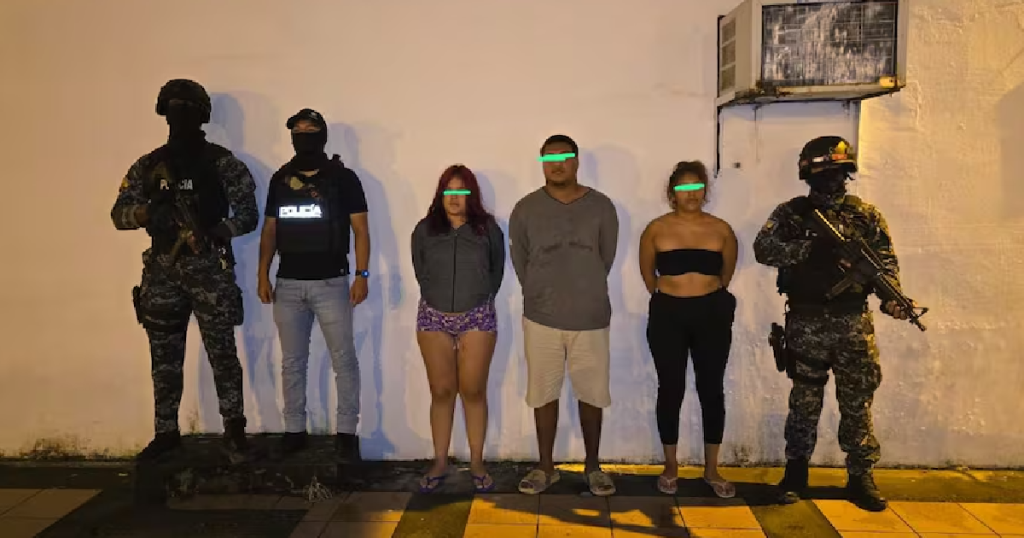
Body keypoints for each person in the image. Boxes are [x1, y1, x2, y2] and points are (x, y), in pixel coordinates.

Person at [753, 136, 913, 512]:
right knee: (804, 402)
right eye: (823, 173)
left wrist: (893, 299)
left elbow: (885, 265)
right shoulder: (792, 214)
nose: (831, 180)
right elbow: (763, 249)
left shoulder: (866, 216)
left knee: (857, 403)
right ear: (808, 175)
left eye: (837, 172)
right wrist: (811, 249)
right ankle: (796, 473)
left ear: (847, 173)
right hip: (806, 321)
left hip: (852, 322)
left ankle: (860, 476)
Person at [111, 79, 258, 464]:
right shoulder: (148, 165)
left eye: (187, 109)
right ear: (164, 113)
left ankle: (234, 429)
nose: (181, 116)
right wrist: (147, 213)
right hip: (163, 269)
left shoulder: (223, 163)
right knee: (164, 356)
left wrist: (217, 231)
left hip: (209, 267)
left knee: (222, 353)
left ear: (202, 115)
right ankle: (166, 432)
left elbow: (248, 215)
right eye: (175, 108)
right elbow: (118, 215)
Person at [257, 109, 370, 462]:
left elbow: (361, 230)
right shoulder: (280, 179)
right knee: (292, 362)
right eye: (298, 129)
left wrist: (362, 275)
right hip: (288, 284)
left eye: (311, 128)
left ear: (323, 133)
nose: (304, 133)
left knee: (344, 360)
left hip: (331, 282)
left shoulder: (343, 178)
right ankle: (294, 429)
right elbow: (270, 230)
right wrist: (262, 274)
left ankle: (347, 432)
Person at [509, 134, 620, 496]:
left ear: (576, 161)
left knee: (592, 395)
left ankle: (593, 467)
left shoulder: (601, 206)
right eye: (549, 158)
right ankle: (546, 467)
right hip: (541, 317)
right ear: (542, 163)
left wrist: (582, 289)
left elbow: (606, 257)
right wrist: (541, 292)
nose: (557, 164)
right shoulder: (525, 208)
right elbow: (521, 260)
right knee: (543, 394)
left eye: (564, 156)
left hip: (590, 317)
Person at [638, 161, 739, 498]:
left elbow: (726, 275)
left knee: (712, 389)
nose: (691, 193)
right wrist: (672, 296)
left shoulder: (722, 230)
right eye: (683, 188)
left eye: (697, 186)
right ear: (672, 193)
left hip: (711, 313)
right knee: (671, 388)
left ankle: (712, 469)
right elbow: (648, 275)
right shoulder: (656, 229)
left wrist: (706, 297)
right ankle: (670, 467)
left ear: (705, 190)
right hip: (668, 314)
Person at [410, 164, 505, 493]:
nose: (454, 197)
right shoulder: (425, 229)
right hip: (433, 317)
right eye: (448, 190)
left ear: (472, 195)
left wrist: (478, 295)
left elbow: (496, 271)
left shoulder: (487, 229)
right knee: (441, 392)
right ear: (440, 194)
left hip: (477, 316)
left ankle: (477, 462)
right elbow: (420, 269)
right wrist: (436, 295)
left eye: (461, 191)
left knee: (473, 390)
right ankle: (440, 461)